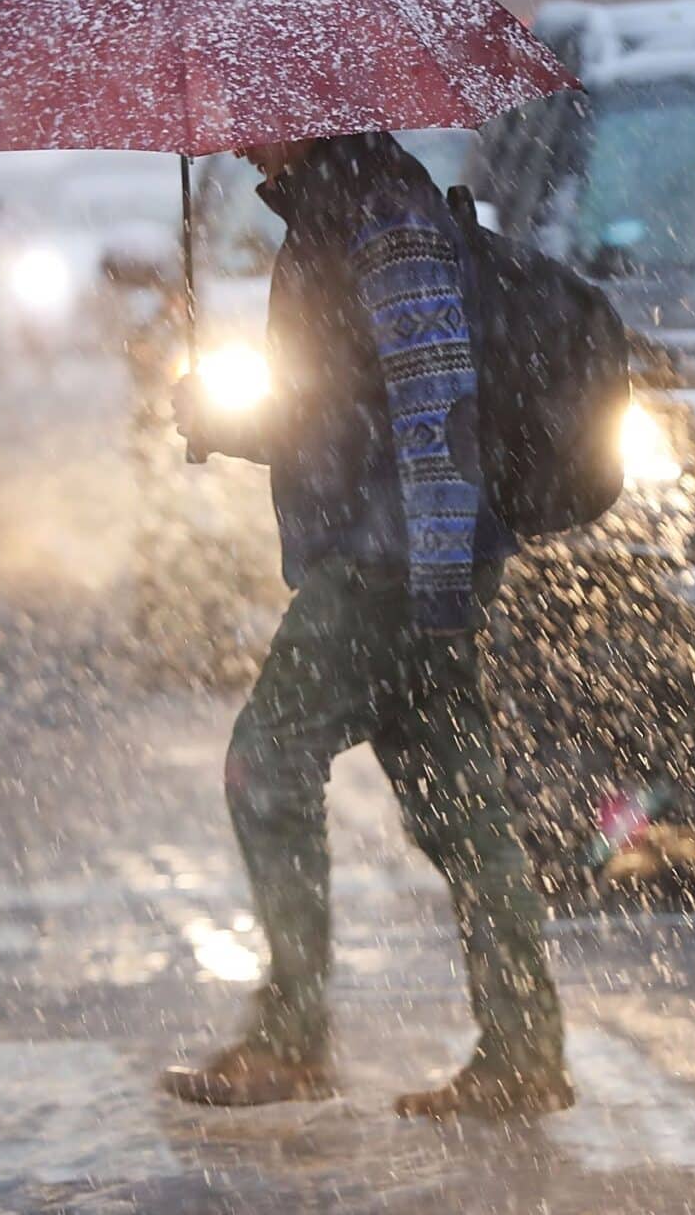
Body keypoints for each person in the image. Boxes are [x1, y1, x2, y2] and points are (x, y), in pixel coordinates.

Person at [158, 131, 571, 1119]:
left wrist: (431, 580)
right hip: (402, 557)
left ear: (307, 108)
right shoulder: (331, 212)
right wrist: (225, 423)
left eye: (254, 106)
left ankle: (292, 1037)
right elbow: (340, 418)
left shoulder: (384, 216)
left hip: (391, 563)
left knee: (266, 760)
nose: (235, 125)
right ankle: (521, 1052)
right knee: (462, 817)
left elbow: (435, 404)